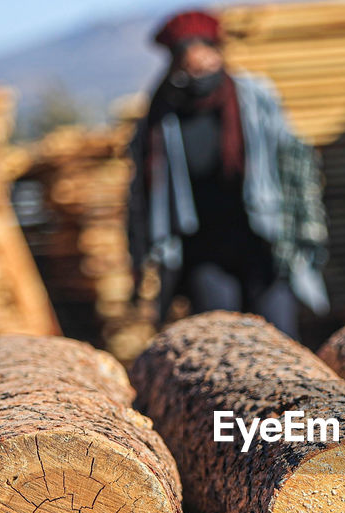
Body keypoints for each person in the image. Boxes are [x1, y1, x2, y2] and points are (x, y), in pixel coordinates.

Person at [127, 9, 328, 339]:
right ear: (175, 61)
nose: (200, 63)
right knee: (222, 340)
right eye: (189, 57)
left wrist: (305, 232)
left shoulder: (254, 98)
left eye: (206, 53)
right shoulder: (161, 116)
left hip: (264, 240)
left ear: (219, 51)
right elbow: (141, 194)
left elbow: (295, 164)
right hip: (203, 249)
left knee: (281, 338)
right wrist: (139, 254)